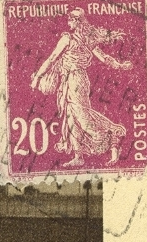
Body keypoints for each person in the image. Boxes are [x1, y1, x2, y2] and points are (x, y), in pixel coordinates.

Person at [30, 8, 132, 167]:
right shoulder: (87, 40)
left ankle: (114, 136)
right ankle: (79, 156)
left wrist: (37, 77)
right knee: (71, 116)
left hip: (75, 80)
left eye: (70, 20)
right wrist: (120, 65)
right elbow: (104, 58)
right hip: (74, 80)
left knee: (82, 117)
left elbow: (51, 59)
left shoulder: (68, 39)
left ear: (77, 22)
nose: (68, 22)